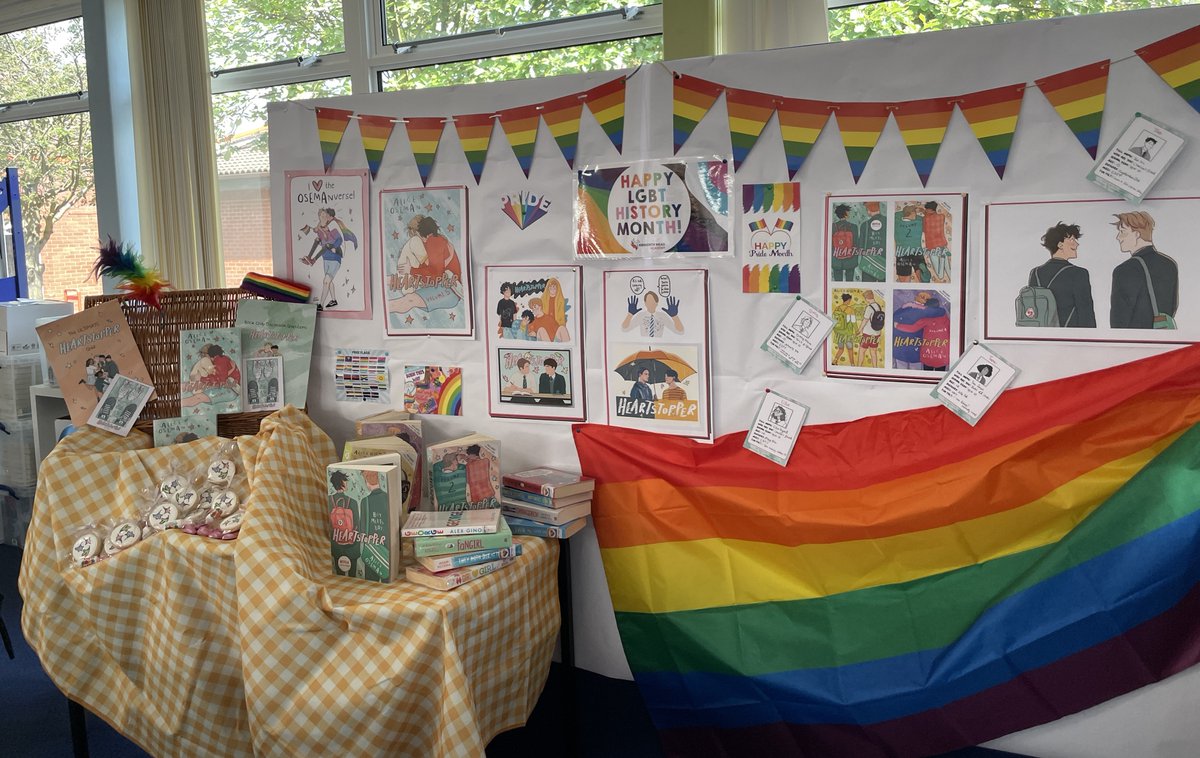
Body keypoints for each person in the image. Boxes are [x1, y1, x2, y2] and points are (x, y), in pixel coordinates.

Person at [1110, 211, 1178, 329]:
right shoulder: (1170, 264)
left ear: (1136, 234)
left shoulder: (1124, 270)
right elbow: (1173, 305)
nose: (1118, 237)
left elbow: (1119, 319)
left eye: (1122, 232)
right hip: (1164, 337)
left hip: (1135, 341)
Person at [388, 216, 463, 317]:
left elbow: (435, 274)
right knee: (406, 295)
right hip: (443, 288)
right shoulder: (435, 242)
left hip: (450, 290)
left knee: (409, 300)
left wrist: (411, 270)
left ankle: (381, 309)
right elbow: (428, 271)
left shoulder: (435, 241)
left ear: (420, 232)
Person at [1027, 222, 1096, 328]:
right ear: (1060, 245)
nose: (1077, 244)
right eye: (1072, 240)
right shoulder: (1079, 273)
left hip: (1042, 335)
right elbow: (1086, 314)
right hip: (1069, 337)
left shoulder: (1035, 273)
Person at [300, 207, 358, 311]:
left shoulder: (334, 231)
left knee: (326, 281)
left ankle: (320, 305)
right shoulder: (321, 232)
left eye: (324, 216)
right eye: (321, 215)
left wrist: (335, 247)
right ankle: (334, 300)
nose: (322, 217)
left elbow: (339, 240)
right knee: (329, 281)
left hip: (335, 258)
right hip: (325, 258)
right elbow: (318, 236)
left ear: (328, 218)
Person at [328, 470, 358, 577]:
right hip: (351, 543)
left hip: (336, 544)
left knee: (339, 573)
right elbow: (357, 523)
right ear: (341, 482)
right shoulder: (352, 501)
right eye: (345, 481)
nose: (347, 483)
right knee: (353, 574)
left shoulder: (329, 500)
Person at [391, 215, 426, 295]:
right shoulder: (416, 240)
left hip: (409, 276)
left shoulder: (415, 240)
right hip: (408, 277)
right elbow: (424, 259)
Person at [922, 201, 952, 283]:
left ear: (930, 210)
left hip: (932, 247)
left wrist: (924, 214)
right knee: (948, 269)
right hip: (942, 245)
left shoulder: (925, 219)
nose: (926, 211)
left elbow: (923, 230)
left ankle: (942, 258)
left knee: (940, 275)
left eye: (926, 210)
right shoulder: (942, 216)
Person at [858, 201, 887, 282]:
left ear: (868, 210)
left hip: (869, 262)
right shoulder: (887, 221)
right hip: (885, 262)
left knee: (868, 286)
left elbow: (860, 247)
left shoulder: (865, 225)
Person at [830, 204, 858, 282]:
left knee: (837, 282)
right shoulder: (854, 227)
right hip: (850, 259)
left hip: (836, 260)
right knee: (849, 282)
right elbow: (856, 244)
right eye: (848, 212)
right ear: (845, 213)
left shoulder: (832, 227)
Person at [831, 292, 858, 366]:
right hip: (847, 333)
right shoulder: (850, 309)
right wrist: (857, 330)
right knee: (850, 349)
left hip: (839, 333)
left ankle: (834, 361)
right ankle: (852, 364)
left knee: (841, 348)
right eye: (850, 300)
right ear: (848, 300)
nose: (850, 301)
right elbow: (853, 322)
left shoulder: (837, 308)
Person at [858, 290, 884, 368]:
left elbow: (865, 320)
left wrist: (860, 329)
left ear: (867, 298)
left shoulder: (869, 307)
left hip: (867, 333)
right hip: (876, 333)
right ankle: (875, 368)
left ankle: (859, 367)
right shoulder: (878, 306)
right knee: (873, 351)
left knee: (862, 351)